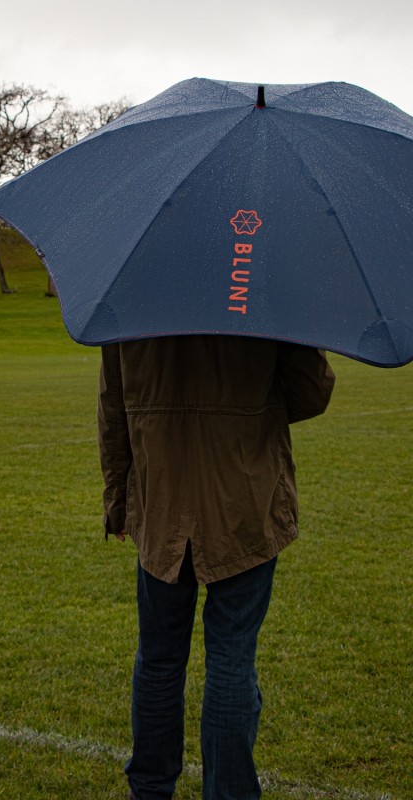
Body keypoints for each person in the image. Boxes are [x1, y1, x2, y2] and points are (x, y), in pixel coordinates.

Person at [97, 335, 335, 800]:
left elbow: (113, 402)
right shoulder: (258, 280)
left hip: (160, 491)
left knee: (160, 657)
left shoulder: (133, 281)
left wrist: (117, 498)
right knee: (230, 657)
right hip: (242, 493)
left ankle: (148, 789)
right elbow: (312, 390)